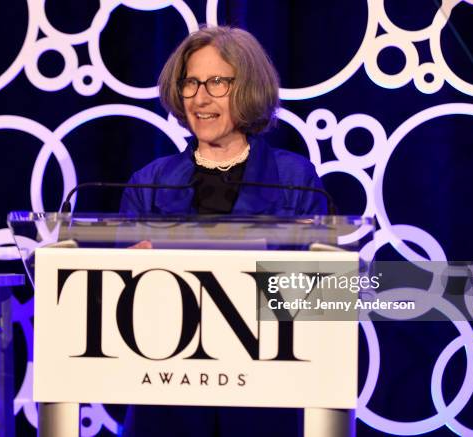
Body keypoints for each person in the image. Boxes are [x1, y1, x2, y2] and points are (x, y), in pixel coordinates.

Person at [120, 25, 326, 437]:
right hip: (167, 395)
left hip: (264, 395)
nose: (200, 97)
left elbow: (320, 298)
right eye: (191, 83)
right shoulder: (149, 182)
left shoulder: (293, 177)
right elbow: (114, 305)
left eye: (217, 82)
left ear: (247, 87)